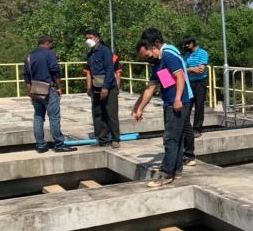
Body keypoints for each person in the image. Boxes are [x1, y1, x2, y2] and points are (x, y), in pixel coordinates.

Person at [133, 34, 191, 188]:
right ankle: (176, 170)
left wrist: (177, 98)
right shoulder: (158, 64)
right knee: (176, 138)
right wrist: (140, 109)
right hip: (169, 103)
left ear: (154, 48)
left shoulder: (168, 57)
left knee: (170, 138)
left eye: (147, 56)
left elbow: (180, 77)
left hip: (177, 104)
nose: (147, 59)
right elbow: (150, 88)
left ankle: (166, 174)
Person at [23, 36, 76, 153]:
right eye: (51, 43)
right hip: (49, 89)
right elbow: (55, 71)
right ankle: (59, 144)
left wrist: (30, 93)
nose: (52, 46)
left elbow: (26, 77)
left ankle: (41, 145)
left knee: (38, 117)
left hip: (35, 89)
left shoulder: (29, 56)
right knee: (54, 118)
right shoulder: (49, 54)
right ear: (47, 43)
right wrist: (59, 87)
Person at [84, 29, 120, 148]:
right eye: (86, 38)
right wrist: (89, 87)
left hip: (108, 87)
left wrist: (105, 87)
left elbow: (110, 70)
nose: (87, 40)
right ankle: (101, 139)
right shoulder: (90, 54)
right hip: (96, 88)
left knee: (111, 114)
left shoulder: (105, 51)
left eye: (90, 37)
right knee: (98, 114)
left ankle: (115, 139)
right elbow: (90, 71)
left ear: (97, 38)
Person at [182, 36, 209, 166]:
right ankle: (187, 128)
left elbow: (201, 70)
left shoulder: (202, 53)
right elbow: (183, 69)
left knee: (199, 106)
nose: (185, 47)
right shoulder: (187, 55)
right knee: (188, 105)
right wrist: (191, 70)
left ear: (191, 43)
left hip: (200, 83)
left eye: (186, 44)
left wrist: (190, 70)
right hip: (190, 83)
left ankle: (197, 129)